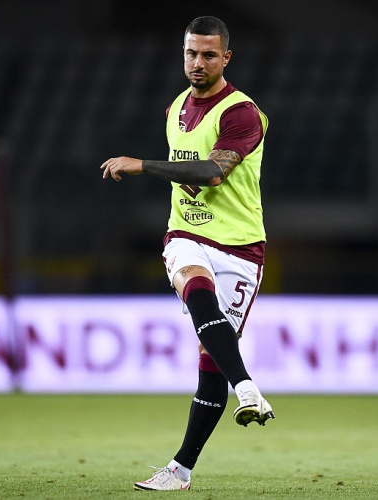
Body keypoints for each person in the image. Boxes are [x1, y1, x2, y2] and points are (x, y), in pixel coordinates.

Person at [100, 15, 273, 492]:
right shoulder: (176, 106)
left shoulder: (241, 113)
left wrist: (141, 165)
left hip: (240, 247)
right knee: (196, 291)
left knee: (211, 364)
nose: (198, 62)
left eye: (209, 55)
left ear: (226, 58)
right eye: (191, 53)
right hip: (187, 233)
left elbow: (213, 173)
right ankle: (249, 388)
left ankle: (180, 470)